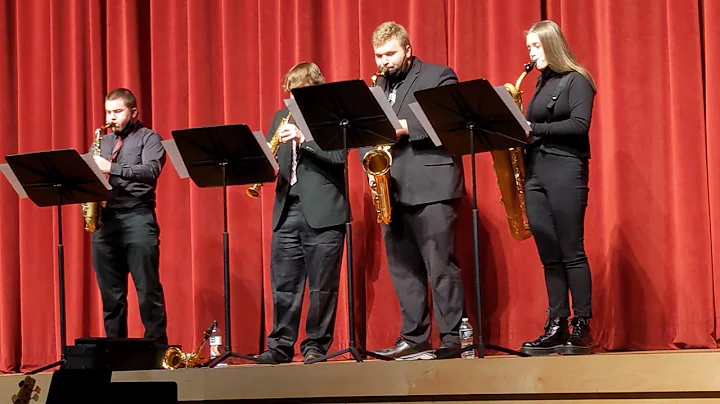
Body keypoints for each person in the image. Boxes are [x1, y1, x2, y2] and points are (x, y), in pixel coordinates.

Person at [365, 21, 465, 360]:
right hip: (391, 189)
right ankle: (415, 338)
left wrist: (406, 127)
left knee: (440, 266)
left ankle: (451, 338)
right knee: (403, 269)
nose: (384, 61)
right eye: (379, 55)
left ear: (408, 50)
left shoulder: (439, 75)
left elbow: (452, 119)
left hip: (433, 185)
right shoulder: (377, 86)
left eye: (390, 54)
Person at [256, 62, 349, 365]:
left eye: (301, 93)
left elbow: (338, 157)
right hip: (287, 209)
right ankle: (280, 345)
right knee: (283, 283)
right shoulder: (280, 117)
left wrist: (303, 139)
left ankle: (315, 346)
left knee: (323, 285)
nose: (294, 100)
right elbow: (273, 162)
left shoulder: (332, 117)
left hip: (323, 212)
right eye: (292, 94)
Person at [519, 20, 597, 356]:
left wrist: (532, 127)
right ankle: (556, 323)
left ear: (551, 46)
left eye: (535, 47)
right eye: (529, 48)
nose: (531, 53)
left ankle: (582, 324)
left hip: (566, 169)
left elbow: (580, 125)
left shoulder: (577, 80)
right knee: (548, 253)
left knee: (570, 249)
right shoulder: (541, 82)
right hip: (536, 171)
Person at [91, 88, 168, 345]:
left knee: (147, 290)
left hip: (138, 216)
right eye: (108, 112)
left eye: (117, 112)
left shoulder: (150, 138)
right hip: (106, 221)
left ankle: (157, 349)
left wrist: (111, 167)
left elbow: (150, 170)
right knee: (111, 295)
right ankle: (115, 350)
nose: (111, 118)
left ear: (133, 112)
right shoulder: (104, 141)